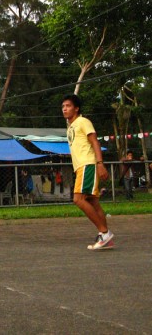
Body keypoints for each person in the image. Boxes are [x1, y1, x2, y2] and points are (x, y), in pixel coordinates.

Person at [62, 94, 114, 250]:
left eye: (68, 106)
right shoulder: (70, 127)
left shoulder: (83, 122)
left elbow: (94, 142)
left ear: (76, 108)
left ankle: (105, 233)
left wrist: (100, 163)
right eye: (63, 106)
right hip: (80, 167)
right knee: (92, 201)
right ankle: (106, 238)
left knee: (78, 199)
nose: (65, 109)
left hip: (88, 164)